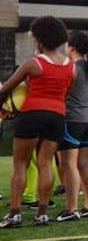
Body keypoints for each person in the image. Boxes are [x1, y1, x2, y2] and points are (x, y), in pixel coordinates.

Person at [0, 16, 75, 228]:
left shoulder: (34, 64)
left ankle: (15, 214)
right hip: (57, 116)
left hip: (32, 114)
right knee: (45, 164)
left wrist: (5, 111)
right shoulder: (71, 67)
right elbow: (65, 95)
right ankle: (42, 214)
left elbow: (6, 89)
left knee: (20, 165)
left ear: (40, 40)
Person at [56, 31, 88, 221]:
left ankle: (71, 209)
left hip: (72, 120)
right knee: (83, 164)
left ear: (71, 47)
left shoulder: (71, 68)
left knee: (68, 165)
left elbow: (61, 92)